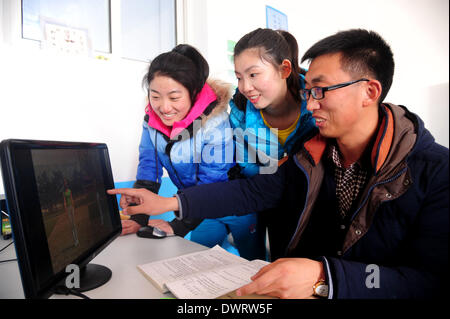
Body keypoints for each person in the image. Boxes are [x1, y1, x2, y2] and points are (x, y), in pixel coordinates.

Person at [108, 29, 449, 299]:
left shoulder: (436, 173)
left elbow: (431, 282)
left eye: (320, 90)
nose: (309, 101)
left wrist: (324, 277)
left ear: (370, 92)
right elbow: (256, 189)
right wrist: (171, 203)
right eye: (308, 90)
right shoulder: (310, 152)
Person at [144, 28, 316, 260]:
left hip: (293, 205)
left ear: (285, 69)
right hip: (242, 196)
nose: (245, 86)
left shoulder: (317, 110)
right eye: (239, 77)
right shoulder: (241, 110)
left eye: (253, 74)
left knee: (272, 259)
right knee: (205, 255)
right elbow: (231, 170)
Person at [121, 44, 263, 260]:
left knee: (253, 261)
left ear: (193, 93)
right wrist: (137, 215)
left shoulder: (215, 123)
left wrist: (178, 226)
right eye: (155, 96)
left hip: (235, 205)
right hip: (198, 207)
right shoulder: (151, 121)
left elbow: (212, 182)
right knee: (197, 258)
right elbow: (149, 167)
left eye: (174, 97)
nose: (164, 107)